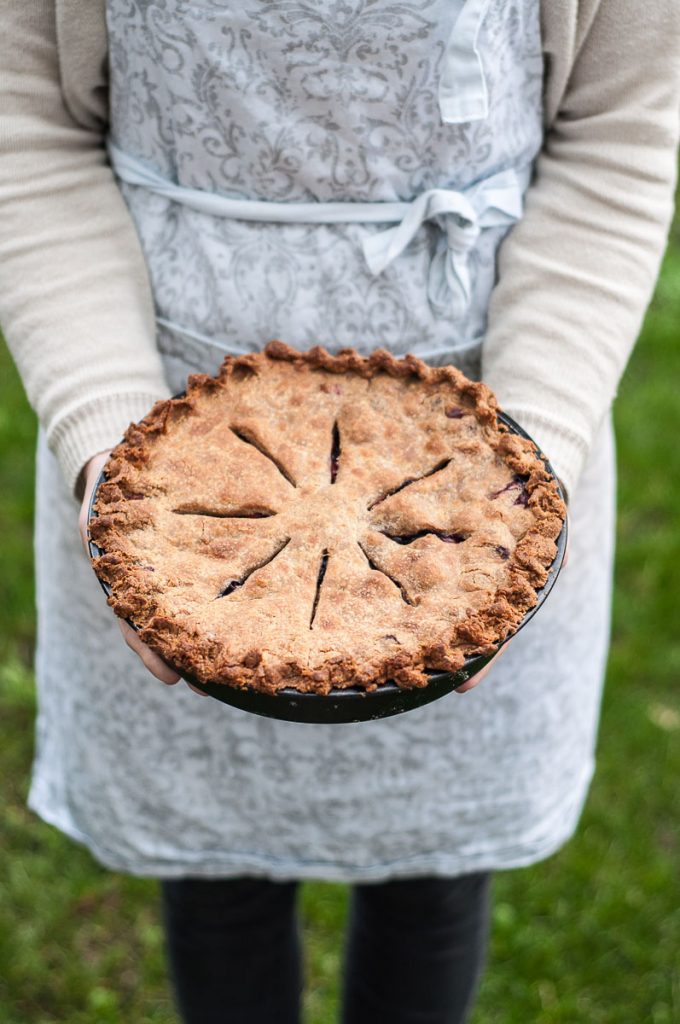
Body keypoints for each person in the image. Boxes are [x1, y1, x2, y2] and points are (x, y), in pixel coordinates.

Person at [1, 3, 678, 1022]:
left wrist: (528, 456)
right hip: (162, 418)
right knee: (214, 865)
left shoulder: (511, 465)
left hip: (485, 436)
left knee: (432, 876)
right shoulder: (136, 463)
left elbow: (619, 119)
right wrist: (108, 442)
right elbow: (28, 121)